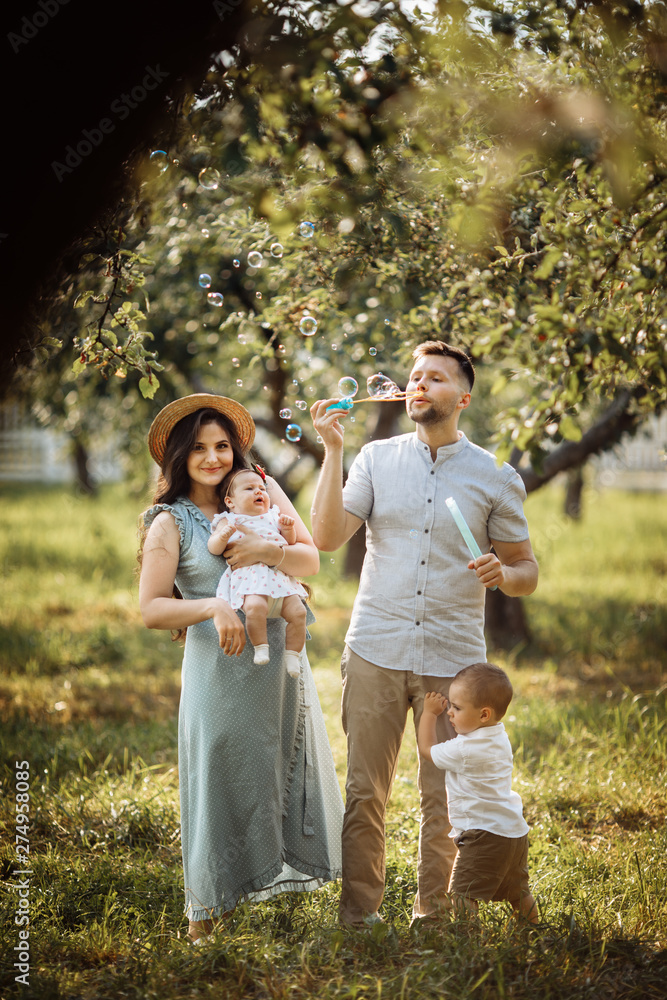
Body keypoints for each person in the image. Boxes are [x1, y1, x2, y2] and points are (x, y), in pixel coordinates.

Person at [309, 340, 538, 926]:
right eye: (415, 376)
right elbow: (327, 538)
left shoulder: (495, 476)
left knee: (445, 797)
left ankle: (434, 917)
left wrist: (504, 574)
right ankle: (359, 918)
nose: (419, 385)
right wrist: (332, 451)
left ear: (462, 398)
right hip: (375, 647)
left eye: (435, 377)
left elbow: (526, 571)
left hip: (452, 660)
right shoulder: (374, 459)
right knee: (366, 791)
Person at [139, 393, 343, 943]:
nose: (213, 458)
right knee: (218, 784)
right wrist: (212, 606)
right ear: (179, 456)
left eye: (222, 446)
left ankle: (250, 888)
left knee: (275, 769)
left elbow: (310, 561)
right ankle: (204, 919)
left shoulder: (261, 489)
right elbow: (151, 608)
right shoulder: (169, 522)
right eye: (199, 448)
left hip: (278, 670)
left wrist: (267, 553)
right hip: (218, 674)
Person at [417, 662, 537, 922]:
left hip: (482, 834)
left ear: (484, 715)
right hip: (513, 833)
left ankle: (468, 939)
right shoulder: (499, 736)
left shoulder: (464, 749)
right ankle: (534, 931)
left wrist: (428, 713)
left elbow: (427, 750)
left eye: (457, 708)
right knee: (519, 893)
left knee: (462, 895)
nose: (449, 712)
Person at [208, 467, 307, 676]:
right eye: (249, 488)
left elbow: (289, 543)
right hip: (252, 580)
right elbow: (214, 548)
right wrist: (222, 536)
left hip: (279, 579)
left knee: (299, 612)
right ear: (230, 502)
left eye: (262, 488)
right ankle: (261, 647)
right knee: (255, 607)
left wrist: (288, 529)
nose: (259, 492)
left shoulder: (273, 516)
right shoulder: (230, 520)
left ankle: (292, 655)